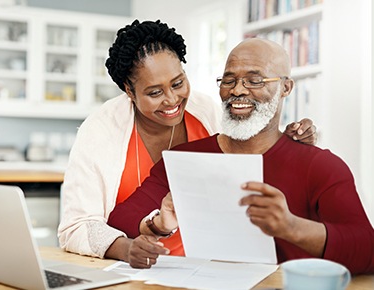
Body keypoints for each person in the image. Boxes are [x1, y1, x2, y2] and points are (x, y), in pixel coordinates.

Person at [58, 20, 316, 266]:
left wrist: (289, 144)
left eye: (178, 83)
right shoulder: (100, 132)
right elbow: (76, 227)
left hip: (204, 265)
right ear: (129, 90)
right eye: (154, 92)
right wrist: (124, 248)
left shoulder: (204, 112)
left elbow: (246, 160)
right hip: (136, 268)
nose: (172, 100)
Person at [107, 38, 374, 274]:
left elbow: (367, 250)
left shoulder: (321, 165)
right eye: (229, 80)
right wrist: (158, 225)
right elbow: (121, 217)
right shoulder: (185, 158)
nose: (237, 90)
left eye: (254, 80)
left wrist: (291, 226)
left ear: (286, 87)